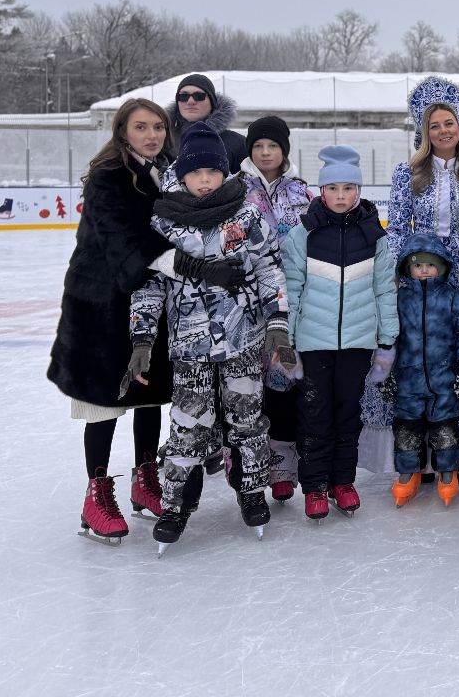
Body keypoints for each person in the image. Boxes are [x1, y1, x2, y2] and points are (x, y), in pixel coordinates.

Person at [48, 99, 231, 544]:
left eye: (157, 127)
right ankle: (96, 494)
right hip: (102, 303)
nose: (151, 134)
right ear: (122, 130)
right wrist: (195, 268)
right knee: (107, 400)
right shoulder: (110, 177)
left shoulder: (165, 171)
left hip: (149, 301)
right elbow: (125, 244)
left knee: (148, 394)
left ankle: (144, 478)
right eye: (140, 127)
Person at [127, 124, 288, 551]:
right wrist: (142, 339)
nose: (204, 180)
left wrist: (277, 322)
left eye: (212, 173)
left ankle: (252, 491)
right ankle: (175, 503)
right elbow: (148, 284)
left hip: (243, 339)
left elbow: (271, 268)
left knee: (248, 420)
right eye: (196, 173)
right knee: (188, 427)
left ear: (225, 174)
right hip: (190, 347)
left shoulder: (246, 215)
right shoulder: (163, 222)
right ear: (182, 175)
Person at [366, 76, 459, 479]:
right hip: (420, 272)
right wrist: (394, 271)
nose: (443, 131)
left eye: (449, 122)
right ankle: (416, 456)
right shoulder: (407, 172)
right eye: (434, 125)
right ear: (424, 132)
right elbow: (395, 228)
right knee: (419, 358)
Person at [278, 145, 399, 522]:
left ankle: (342, 482)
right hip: (313, 345)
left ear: (359, 191)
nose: (342, 196)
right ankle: (314, 486)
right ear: (322, 190)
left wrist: (386, 344)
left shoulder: (374, 236)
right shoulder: (303, 236)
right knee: (315, 415)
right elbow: (291, 292)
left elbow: (384, 291)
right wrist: (288, 345)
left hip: (357, 343)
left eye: (349, 188)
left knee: (349, 414)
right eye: (334, 188)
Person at [241, 115, 312, 503]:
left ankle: (290, 458)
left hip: (294, 302)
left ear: (284, 150)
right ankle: (257, 459)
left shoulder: (301, 192)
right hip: (246, 303)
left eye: (272, 146)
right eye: (258, 146)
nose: (265, 152)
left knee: (286, 377)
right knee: (252, 384)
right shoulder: (236, 190)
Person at [382, 232, 459, 509]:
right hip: (407, 380)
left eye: (430, 265)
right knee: (406, 429)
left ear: (442, 267)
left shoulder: (453, 298)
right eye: (417, 265)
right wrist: (383, 373)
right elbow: (387, 338)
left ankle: (447, 471)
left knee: (445, 427)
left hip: (444, 379)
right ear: (407, 268)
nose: (424, 270)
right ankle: (407, 472)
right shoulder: (398, 300)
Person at [167, 73, 247, 174]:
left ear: (212, 102)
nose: (190, 101)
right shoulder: (164, 141)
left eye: (199, 96)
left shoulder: (238, 144)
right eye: (183, 96)